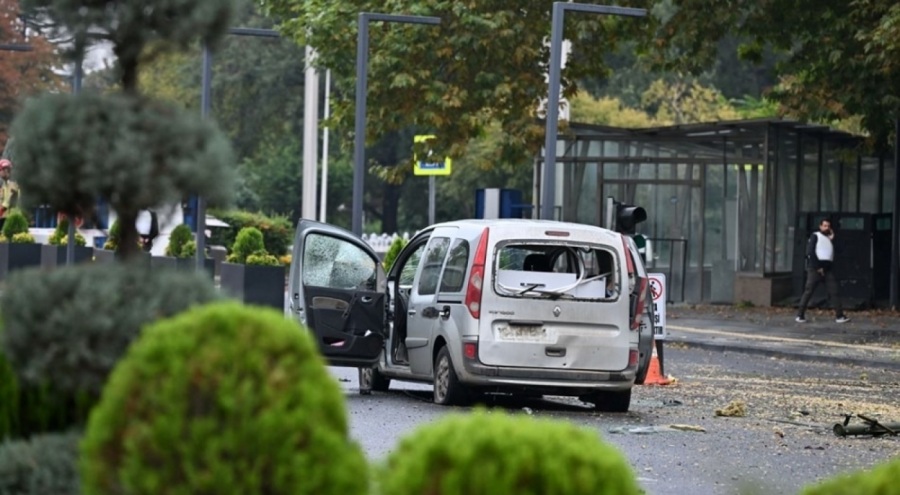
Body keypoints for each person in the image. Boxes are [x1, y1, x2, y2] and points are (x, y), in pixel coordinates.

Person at [796, 218, 850, 323]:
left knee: (834, 291)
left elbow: (840, 250)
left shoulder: (830, 238)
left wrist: (833, 239)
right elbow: (811, 252)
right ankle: (800, 315)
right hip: (815, 268)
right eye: (824, 226)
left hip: (827, 269)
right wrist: (817, 267)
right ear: (820, 226)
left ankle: (840, 316)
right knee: (808, 291)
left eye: (828, 226)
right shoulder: (815, 235)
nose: (827, 228)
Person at [0, 158, 20, 233]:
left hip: (12, 217)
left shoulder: (13, 183)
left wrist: (1, 210)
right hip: (5, 217)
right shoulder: (4, 184)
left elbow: (8, 200)